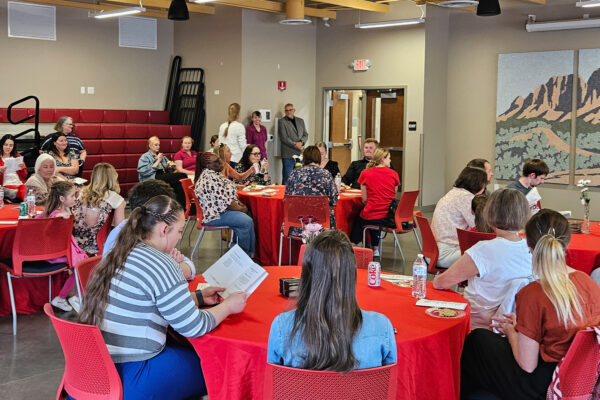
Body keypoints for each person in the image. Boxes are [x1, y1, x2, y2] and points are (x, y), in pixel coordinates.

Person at [78, 195, 248, 400]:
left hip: (96, 369)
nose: (179, 238)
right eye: (179, 231)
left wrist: (198, 298)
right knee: (220, 366)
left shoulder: (123, 251)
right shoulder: (162, 263)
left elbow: (148, 302)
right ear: (164, 230)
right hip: (135, 373)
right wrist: (228, 306)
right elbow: (194, 326)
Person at [460, 209, 600, 400]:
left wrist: (512, 333)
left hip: (544, 384)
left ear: (529, 246)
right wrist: (524, 329)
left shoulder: (533, 293)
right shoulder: (588, 281)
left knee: (477, 340)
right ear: (567, 243)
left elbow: (527, 365)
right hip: (581, 376)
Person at [267, 230, 397, 372]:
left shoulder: (282, 326)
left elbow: (275, 381)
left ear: (307, 274)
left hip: (302, 388)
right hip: (363, 388)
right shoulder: (382, 326)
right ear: (351, 274)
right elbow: (389, 380)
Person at [433, 188, 533, 330]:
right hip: (515, 326)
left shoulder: (483, 250)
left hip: (476, 325)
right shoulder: (532, 249)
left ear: (490, 213)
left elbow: (441, 283)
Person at [102, 179, 197, 281]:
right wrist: (171, 265)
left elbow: (190, 266)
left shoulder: (152, 234)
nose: (180, 236)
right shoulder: (126, 238)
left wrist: (172, 265)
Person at [39, 181, 88, 313]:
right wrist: (62, 215)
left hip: (60, 251)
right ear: (62, 198)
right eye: (72, 196)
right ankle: (75, 297)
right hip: (57, 254)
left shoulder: (52, 210)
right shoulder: (57, 213)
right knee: (83, 266)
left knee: (81, 266)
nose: (75, 199)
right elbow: (54, 216)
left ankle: (63, 297)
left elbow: (39, 218)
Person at [194, 152, 255, 256]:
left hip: (221, 211)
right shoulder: (209, 178)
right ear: (208, 165)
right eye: (216, 161)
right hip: (215, 215)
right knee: (246, 221)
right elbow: (227, 203)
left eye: (219, 159)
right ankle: (242, 255)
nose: (221, 162)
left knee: (247, 215)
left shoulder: (214, 174)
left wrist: (241, 206)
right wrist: (241, 208)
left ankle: (244, 252)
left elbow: (227, 195)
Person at [431, 166, 488, 268]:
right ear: (480, 185)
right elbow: (481, 227)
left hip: (434, 250)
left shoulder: (453, 193)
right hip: (447, 253)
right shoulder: (467, 198)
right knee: (489, 252)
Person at [350, 148, 399, 257]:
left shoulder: (365, 173)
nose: (390, 160)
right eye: (389, 158)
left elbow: (364, 199)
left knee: (362, 217)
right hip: (390, 217)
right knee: (374, 217)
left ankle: (353, 244)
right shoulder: (394, 174)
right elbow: (393, 196)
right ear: (383, 159)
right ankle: (375, 248)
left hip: (372, 215)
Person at [72, 163, 125, 256]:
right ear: (113, 178)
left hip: (73, 243)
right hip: (97, 246)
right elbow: (119, 229)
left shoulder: (80, 192)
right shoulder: (116, 199)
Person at [285, 146, 338, 235]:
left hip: (296, 224)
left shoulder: (294, 173)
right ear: (318, 158)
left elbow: (287, 197)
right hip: (321, 225)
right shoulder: (325, 174)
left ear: (304, 159)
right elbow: (334, 200)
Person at [137, 136, 187, 207]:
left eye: (159, 145)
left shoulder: (162, 155)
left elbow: (169, 167)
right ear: (150, 146)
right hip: (153, 177)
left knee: (179, 184)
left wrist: (171, 166)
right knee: (183, 175)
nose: (158, 147)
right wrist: (158, 160)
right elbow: (143, 172)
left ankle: (181, 207)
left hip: (163, 175)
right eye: (156, 145)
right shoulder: (145, 156)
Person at [279, 103, 308, 185]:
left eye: (290, 110)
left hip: (300, 153)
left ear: (294, 110)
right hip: (288, 154)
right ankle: (285, 193)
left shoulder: (300, 121)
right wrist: (295, 145)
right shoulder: (282, 122)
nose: (288, 112)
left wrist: (301, 142)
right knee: (287, 177)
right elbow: (284, 138)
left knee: (299, 177)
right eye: (286, 110)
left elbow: (305, 134)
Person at [0, 134, 27, 201]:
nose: (8, 147)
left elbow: (25, 175)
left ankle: (19, 196)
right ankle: (22, 197)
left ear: (13, 146)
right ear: (2, 145)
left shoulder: (17, 156)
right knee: (8, 191)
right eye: (6, 145)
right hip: (6, 185)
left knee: (24, 188)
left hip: (19, 184)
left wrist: (23, 168)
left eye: (11, 145)